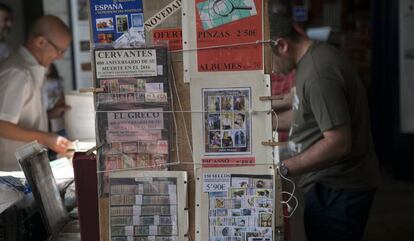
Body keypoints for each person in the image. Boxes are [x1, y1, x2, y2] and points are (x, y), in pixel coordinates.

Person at [268, 3, 380, 241]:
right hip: (327, 184)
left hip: (339, 188)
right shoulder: (310, 60)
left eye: (269, 60)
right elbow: (304, 116)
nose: (271, 70)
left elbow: (338, 143)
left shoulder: (319, 73)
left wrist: (282, 170)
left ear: (282, 45)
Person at [0, 15, 72, 171]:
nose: (60, 57)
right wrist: (46, 138)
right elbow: (2, 125)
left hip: (26, 167)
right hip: (12, 172)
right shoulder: (17, 71)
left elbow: (20, 115)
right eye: (59, 50)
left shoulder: (31, 67)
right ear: (40, 42)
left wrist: (50, 114)